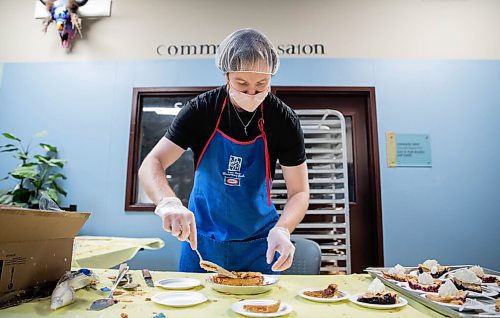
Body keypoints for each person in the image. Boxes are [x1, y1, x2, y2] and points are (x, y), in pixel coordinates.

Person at [139, 28, 309, 274]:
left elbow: (300, 191)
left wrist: (283, 228)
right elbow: (152, 162)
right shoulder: (201, 110)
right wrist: (168, 201)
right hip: (201, 242)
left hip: (260, 245)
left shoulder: (283, 119)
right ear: (227, 74)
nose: (252, 93)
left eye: (261, 84)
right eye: (242, 83)